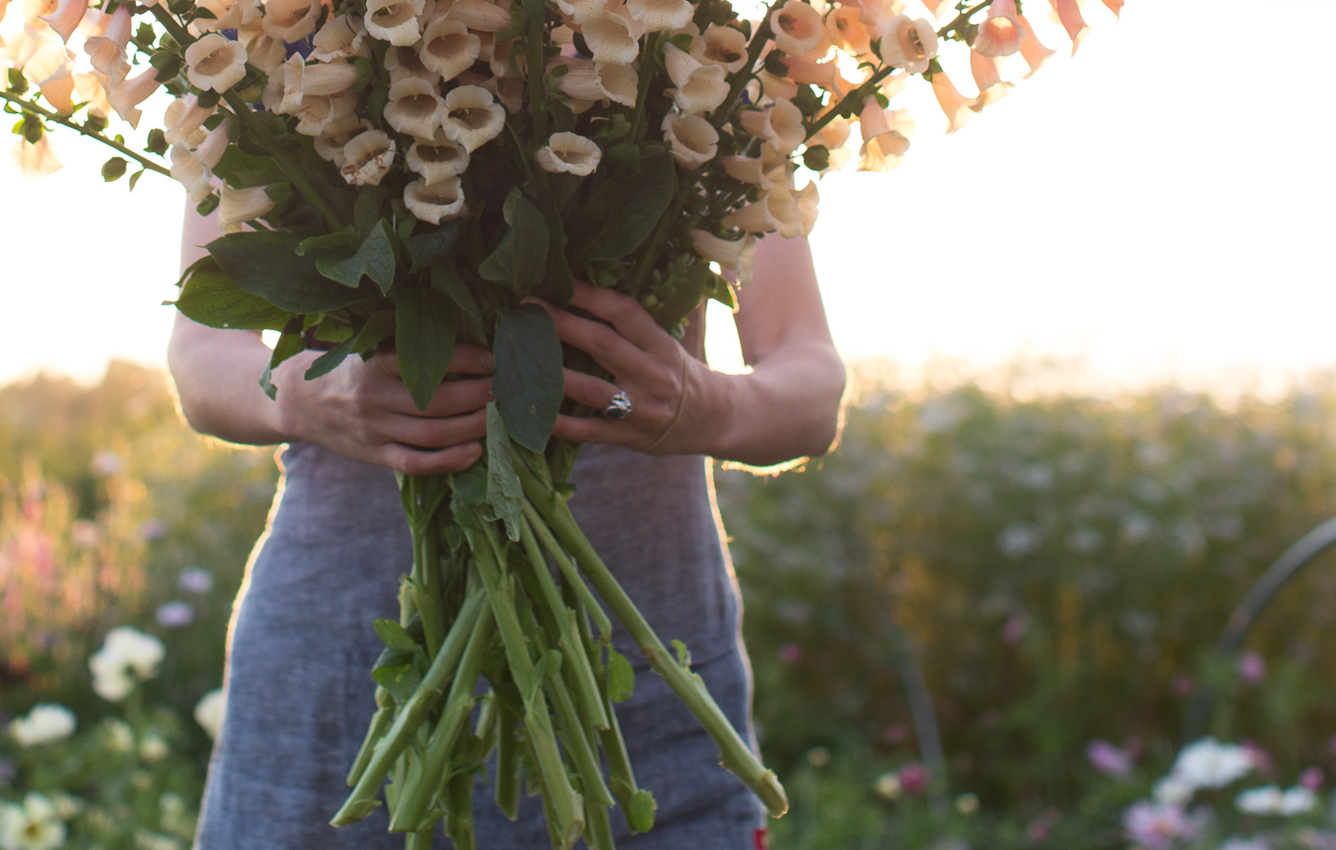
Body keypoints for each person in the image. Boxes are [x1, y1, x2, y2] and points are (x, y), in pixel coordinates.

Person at [169, 196, 846, 848]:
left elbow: (810, 387)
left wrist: (709, 406)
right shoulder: (266, 75)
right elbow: (202, 354)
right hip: (337, 699)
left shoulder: (735, 75)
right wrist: (304, 395)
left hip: (653, 696)